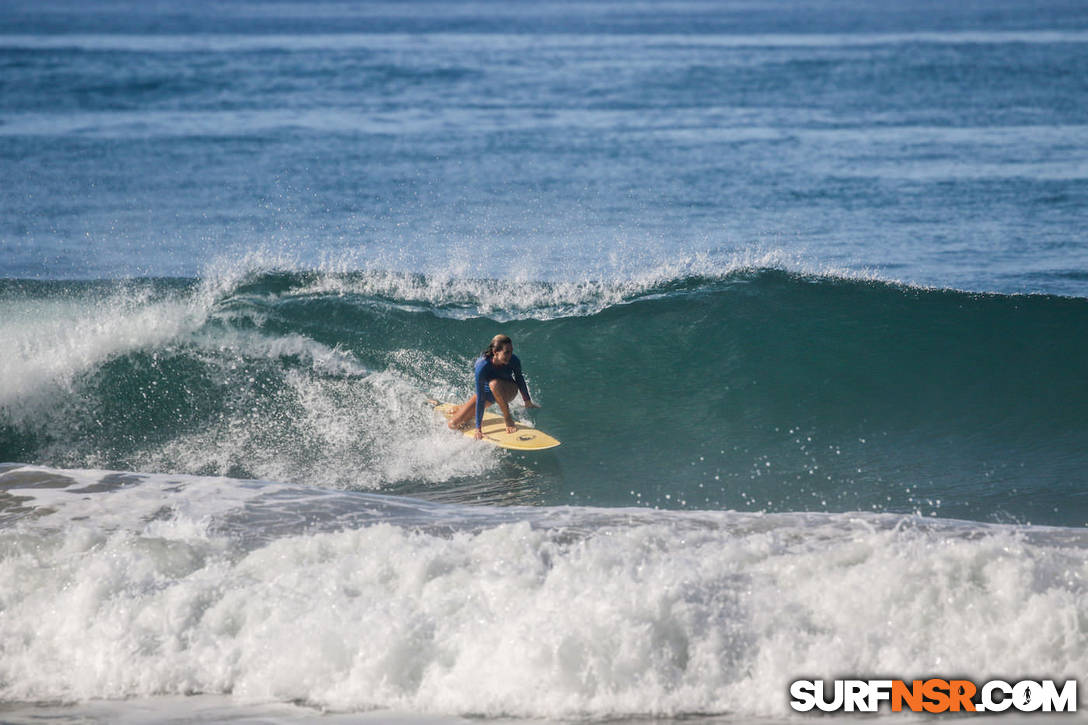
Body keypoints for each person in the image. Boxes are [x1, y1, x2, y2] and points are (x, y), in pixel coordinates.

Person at [448, 334, 540, 440]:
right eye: (507, 352)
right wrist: (478, 429)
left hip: (508, 390)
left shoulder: (514, 360)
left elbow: (519, 379)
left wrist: (527, 401)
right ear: (495, 352)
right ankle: (462, 408)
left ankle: (508, 419)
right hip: (489, 394)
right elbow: (481, 397)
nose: (510, 355)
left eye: (511, 351)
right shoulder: (482, 365)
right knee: (453, 424)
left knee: (494, 384)